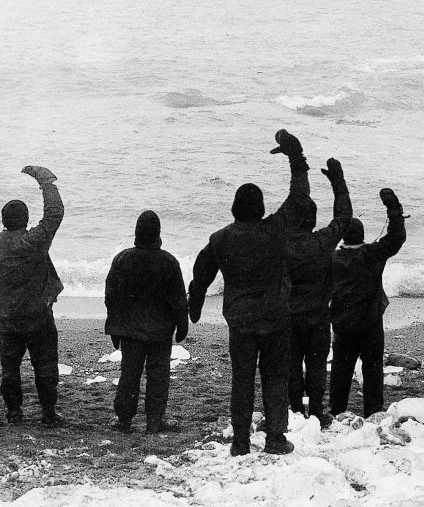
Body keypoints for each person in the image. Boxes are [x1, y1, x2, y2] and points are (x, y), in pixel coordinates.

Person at [188, 130, 312, 457]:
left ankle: (241, 442)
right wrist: (295, 157)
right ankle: (274, 438)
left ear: (233, 208)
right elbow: (299, 201)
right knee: (275, 377)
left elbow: (201, 272)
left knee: (241, 380)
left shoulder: (221, 238)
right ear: (260, 208)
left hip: (240, 321)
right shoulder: (274, 231)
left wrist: (195, 304)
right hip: (275, 317)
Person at [0, 166, 64, 426]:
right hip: (39, 316)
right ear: (25, 220)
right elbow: (54, 214)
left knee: (10, 369)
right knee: (45, 367)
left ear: (3, 221)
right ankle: (48, 413)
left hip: (8, 316)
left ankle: (14, 412)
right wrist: (46, 182)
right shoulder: (34, 240)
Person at [104, 210, 188, 434]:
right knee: (159, 375)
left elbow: (112, 297)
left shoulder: (122, 259)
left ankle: (124, 420)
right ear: (158, 234)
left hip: (130, 331)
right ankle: (154, 420)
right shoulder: (169, 262)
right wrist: (182, 325)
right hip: (160, 331)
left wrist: (114, 327)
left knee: (129, 374)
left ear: (137, 233)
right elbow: (179, 299)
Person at [285, 157, 352, 427]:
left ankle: (292, 407)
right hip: (317, 314)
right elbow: (344, 217)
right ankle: (315, 409)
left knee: (290, 364)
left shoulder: (282, 244)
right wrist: (339, 184)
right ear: (312, 220)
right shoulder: (322, 241)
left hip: (289, 314)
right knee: (316, 363)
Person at [328, 186, 406, 417]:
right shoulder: (372, 254)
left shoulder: (333, 258)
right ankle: (373, 413)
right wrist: (393, 207)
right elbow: (396, 237)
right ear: (362, 236)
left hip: (342, 324)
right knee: (372, 371)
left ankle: (336, 411)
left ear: (343, 236)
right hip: (370, 323)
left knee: (341, 370)